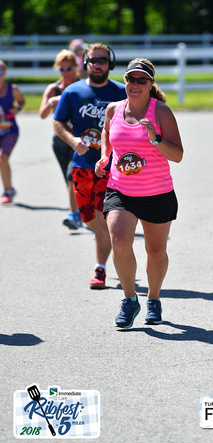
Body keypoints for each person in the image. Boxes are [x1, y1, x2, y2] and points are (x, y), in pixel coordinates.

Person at [95, 58, 184, 328]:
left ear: (150, 84)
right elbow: (107, 135)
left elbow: (178, 155)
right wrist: (104, 157)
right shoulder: (113, 109)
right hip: (121, 190)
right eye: (130, 79)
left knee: (155, 251)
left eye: (141, 80)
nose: (134, 84)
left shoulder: (161, 113)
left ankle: (154, 299)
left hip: (157, 192)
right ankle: (130, 299)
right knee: (119, 240)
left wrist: (155, 139)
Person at [53, 43, 127, 289]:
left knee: (103, 218)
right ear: (85, 62)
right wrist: (73, 141)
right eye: (93, 60)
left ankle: (100, 268)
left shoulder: (121, 92)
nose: (98, 64)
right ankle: (109, 239)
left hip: (110, 167)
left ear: (110, 63)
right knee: (87, 219)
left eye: (103, 60)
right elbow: (58, 122)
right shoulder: (73, 92)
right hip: (82, 165)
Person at [39, 49, 82, 229]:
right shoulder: (53, 88)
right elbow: (42, 114)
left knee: (73, 176)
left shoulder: (83, 86)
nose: (66, 72)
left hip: (80, 139)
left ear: (76, 68)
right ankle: (79, 211)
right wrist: (51, 102)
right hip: (60, 141)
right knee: (69, 179)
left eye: (69, 68)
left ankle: (74, 215)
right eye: (62, 69)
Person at [0, 60, 25, 204]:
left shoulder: (12, 89)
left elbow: (22, 102)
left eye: (1, 71)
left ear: (5, 73)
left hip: (10, 131)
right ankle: (9, 189)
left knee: (3, 157)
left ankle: (8, 190)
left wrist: (18, 109)